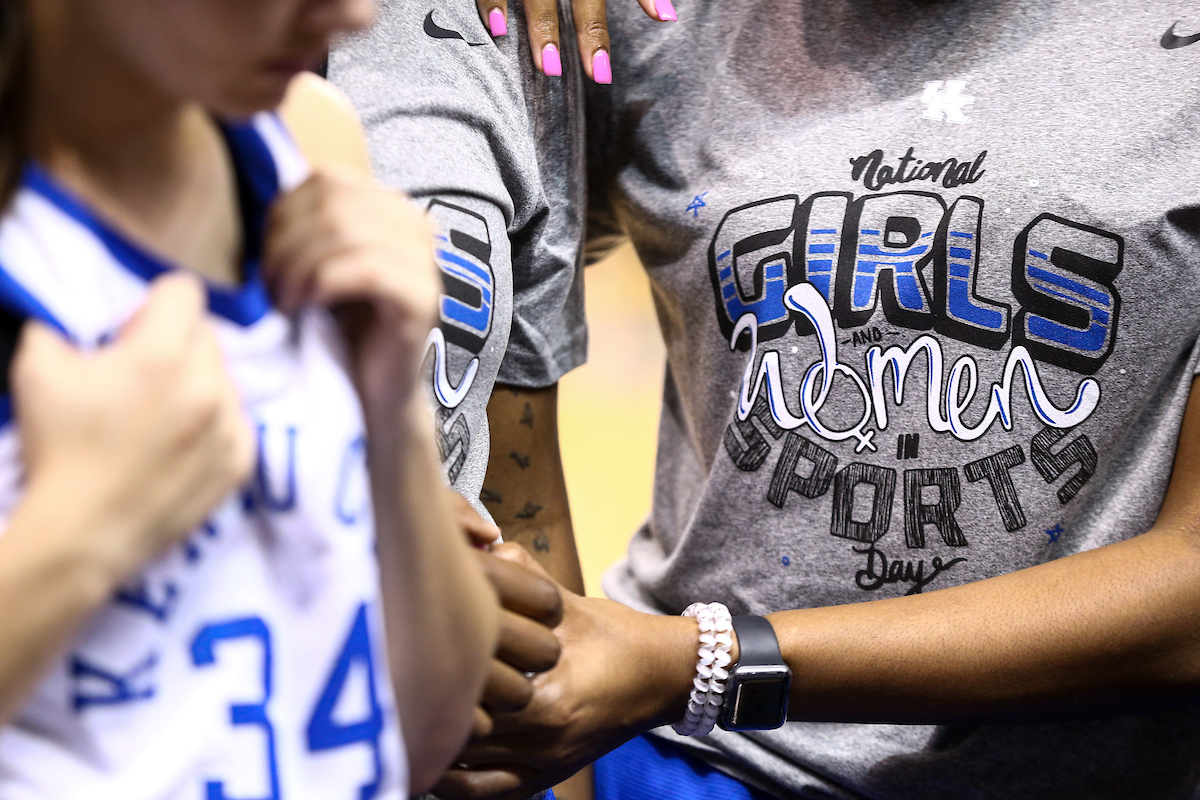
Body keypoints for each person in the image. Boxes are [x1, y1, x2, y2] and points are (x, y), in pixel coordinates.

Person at [442, 1, 1200, 799]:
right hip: (686, 765)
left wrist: (696, 663)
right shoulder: (653, 23)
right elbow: (505, 304)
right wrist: (554, 747)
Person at [0, 0, 502, 796]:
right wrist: (75, 537)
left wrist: (394, 406)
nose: (357, 15)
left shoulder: (304, 143)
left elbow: (416, 733)